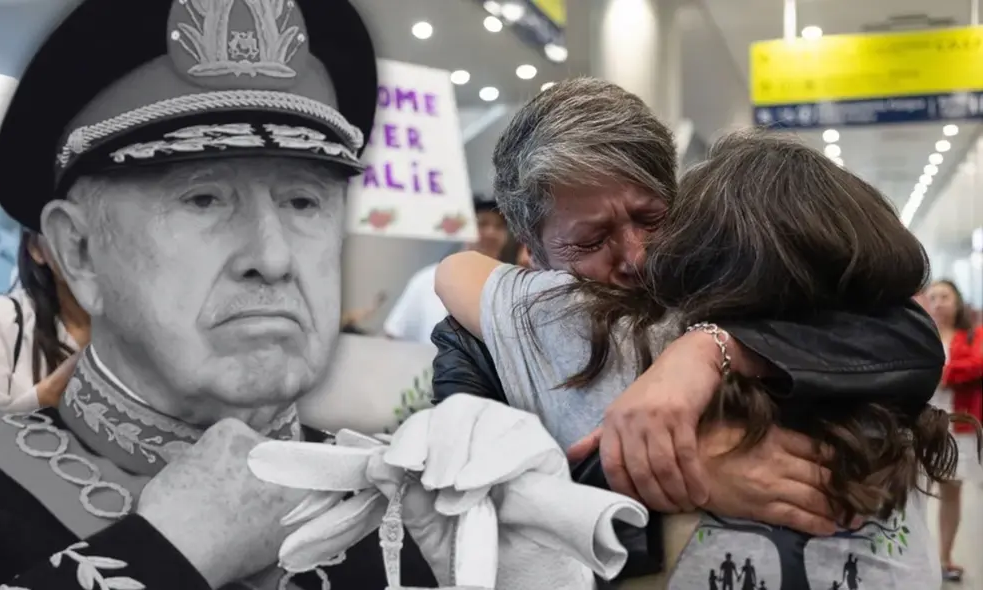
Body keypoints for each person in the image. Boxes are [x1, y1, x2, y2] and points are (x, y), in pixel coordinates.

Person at [0, 0, 439, 588]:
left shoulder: (402, 507)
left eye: (302, 201)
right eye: (203, 199)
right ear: (80, 252)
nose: (273, 259)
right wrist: (164, 553)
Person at [430, 78, 945, 578]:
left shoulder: (737, 296)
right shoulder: (485, 337)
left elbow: (909, 337)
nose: (639, 257)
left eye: (651, 217)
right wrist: (673, 473)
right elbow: (467, 508)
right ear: (534, 250)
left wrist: (713, 346)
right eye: (590, 241)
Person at [0, 230, 88, 411]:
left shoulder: (140, 332)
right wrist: (44, 396)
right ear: (36, 248)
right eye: (70, 231)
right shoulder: (2, 318)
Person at [383, 196, 508, 344]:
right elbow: (393, 335)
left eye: (499, 226)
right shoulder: (427, 279)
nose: (491, 233)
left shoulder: (510, 286)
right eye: (482, 223)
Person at [925, 279, 983, 582]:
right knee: (913, 491)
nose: (938, 303)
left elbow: (978, 363)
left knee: (951, 492)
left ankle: (944, 556)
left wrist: (940, 375)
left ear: (957, 301)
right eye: (933, 297)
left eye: (944, 296)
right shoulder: (920, 334)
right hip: (920, 425)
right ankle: (918, 555)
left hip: (957, 426)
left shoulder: (972, 335)